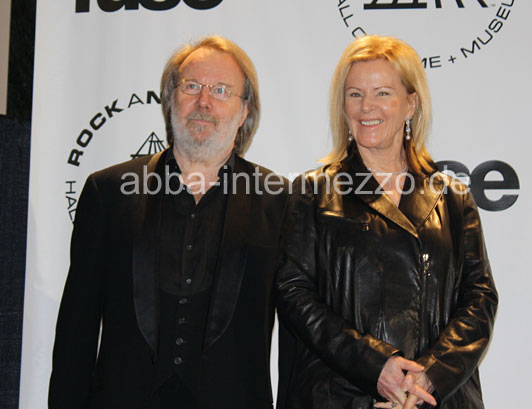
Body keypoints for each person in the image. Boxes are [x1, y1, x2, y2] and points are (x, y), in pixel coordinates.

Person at [49, 36, 289, 409]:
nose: (203, 101)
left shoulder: (280, 201)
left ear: (244, 111)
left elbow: (297, 333)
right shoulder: (108, 192)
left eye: (221, 90)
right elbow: (75, 333)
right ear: (170, 99)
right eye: (191, 86)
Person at [276, 35, 498, 409]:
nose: (367, 107)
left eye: (382, 93)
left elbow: (479, 299)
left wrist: (427, 376)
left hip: (434, 399)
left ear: (411, 103)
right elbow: (294, 295)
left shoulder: (453, 198)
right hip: (340, 398)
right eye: (355, 94)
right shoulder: (312, 193)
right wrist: (375, 366)